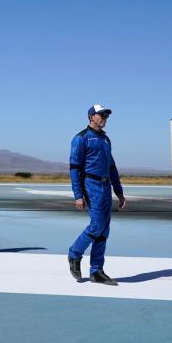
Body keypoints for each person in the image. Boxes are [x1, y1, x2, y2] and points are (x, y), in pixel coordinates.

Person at [68, 104, 126, 285]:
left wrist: (119, 191)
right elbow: (74, 168)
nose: (105, 118)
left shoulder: (105, 139)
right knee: (96, 226)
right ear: (91, 117)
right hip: (91, 185)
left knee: (104, 230)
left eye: (106, 116)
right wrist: (78, 194)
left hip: (106, 185)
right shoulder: (81, 138)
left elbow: (112, 167)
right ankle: (74, 254)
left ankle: (96, 271)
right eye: (102, 115)